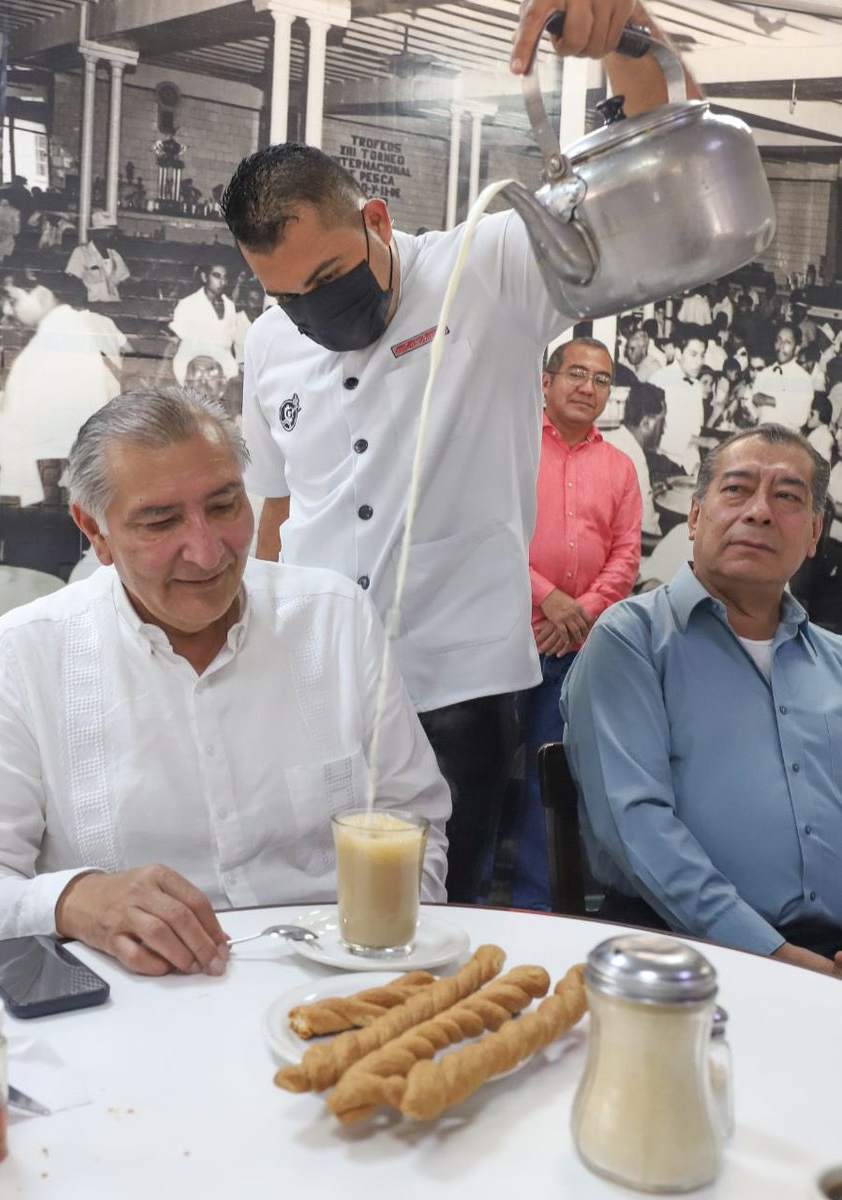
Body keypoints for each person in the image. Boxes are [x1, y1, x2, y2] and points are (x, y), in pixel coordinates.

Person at [220, 0, 695, 903]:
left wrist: (626, 40)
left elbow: (640, 191)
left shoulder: (487, 267)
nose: (313, 313)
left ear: (375, 218)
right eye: (287, 296)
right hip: (315, 679)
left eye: (324, 279)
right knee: (307, 908)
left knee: (443, 911)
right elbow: (276, 517)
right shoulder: (269, 346)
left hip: (458, 686)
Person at [0, 385, 450, 974]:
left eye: (224, 506)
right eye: (160, 521)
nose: (205, 551)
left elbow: (414, 821)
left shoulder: (334, 619)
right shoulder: (24, 655)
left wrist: (377, 959)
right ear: (94, 532)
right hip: (130, 1011)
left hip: (333, 985)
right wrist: (75, 901)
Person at [562, 424, 842, 976]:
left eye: (787, 496)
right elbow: (637, 826)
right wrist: (778, 959)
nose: (759, 512)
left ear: (813, 534)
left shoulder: (835, 660)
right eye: (736, 489)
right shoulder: (633, 639)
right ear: (694, 517)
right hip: (681, 950)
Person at [497, 337, 640, 908]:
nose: (588, 387)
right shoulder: (513, 448)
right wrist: (548, 597)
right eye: (577, 374)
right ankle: (462, 896)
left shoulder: (620, 467)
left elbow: (626, 556)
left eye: (601, 380)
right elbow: (491, 532)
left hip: (575, 652)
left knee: (549, 781)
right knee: (479, 778)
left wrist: (578, 613)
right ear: (547, 381)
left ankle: (537, 905)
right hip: (504, 641)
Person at [0, 273, 126, 504]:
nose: (7, 310)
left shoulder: (63, 333)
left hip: (51, 464)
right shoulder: (61, 329)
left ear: (42, 295)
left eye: (13, 300)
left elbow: (62, 419)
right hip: (56, 459)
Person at [603, 379, 666, 536]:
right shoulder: (635, 459)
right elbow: (647, 532)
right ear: (646, 423)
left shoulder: (611, 439)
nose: (664, 430)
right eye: (662, 422)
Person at [169, 259, 241, 385]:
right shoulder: (188, 304)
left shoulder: (230, 306)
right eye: (216, 276)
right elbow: (176, 340)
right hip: (193, 361)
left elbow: (232, 341)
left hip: (222, 364)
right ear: (204, 277)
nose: (222, 282)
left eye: (225, 278)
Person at [652, 325, 706, 473]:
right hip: (664, 465)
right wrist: (703, 442)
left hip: (690, 466)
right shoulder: (660, 381)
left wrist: (696, 467)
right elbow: (658, 437)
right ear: (678, 353)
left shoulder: (696, 386)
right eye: (693, 354)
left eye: (702, 355)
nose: (699, 361)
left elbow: (695, 429)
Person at [753, 323, 814, 431]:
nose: (781, 347)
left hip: (786, 441)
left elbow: (801, 417)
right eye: (779, 340)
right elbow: (755, 406)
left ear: (797, 349)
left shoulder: (804, 379)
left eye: (788, 342)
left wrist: (770, 400)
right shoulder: (764, 373)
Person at [65, 212, 131, 303]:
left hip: (114, 305)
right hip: (92, 306)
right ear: (95, 234)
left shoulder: (115, 255)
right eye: (108, 233)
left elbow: (125, 281)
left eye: (113, 233)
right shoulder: (81, 253)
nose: (113, 237)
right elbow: (72, 283)